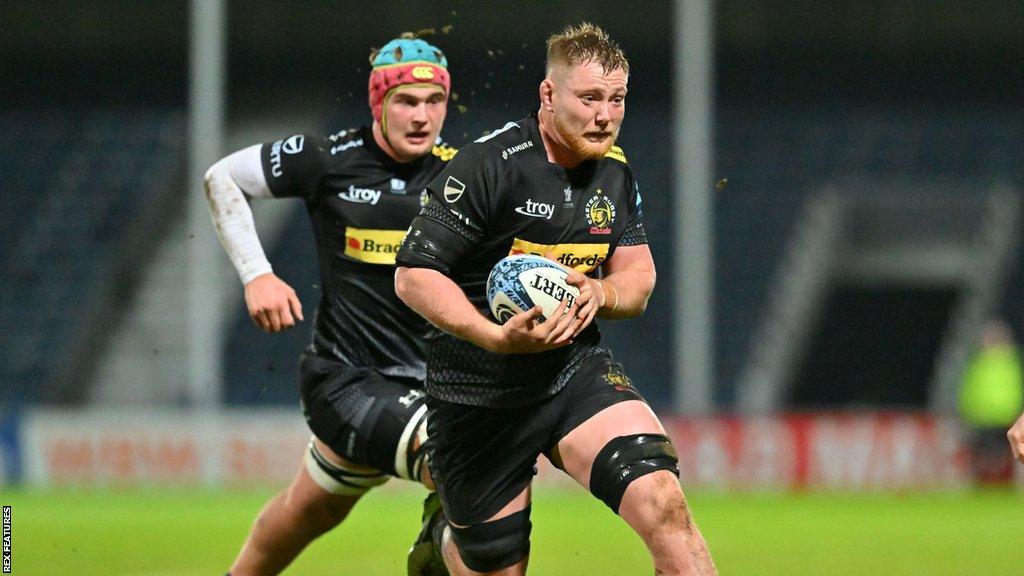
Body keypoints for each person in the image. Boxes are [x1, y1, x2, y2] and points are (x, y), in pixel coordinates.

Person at [395, 23, 717, 576]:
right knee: (491, 563)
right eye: (590, 98)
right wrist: (494, 336)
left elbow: (638, 276)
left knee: (661, 498)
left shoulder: (614, 172)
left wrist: (603, 290)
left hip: (571, 374)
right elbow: (414, 276)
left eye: (616, 99)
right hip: (477, 393)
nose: (606, 115)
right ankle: (444, 540)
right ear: (548, 95)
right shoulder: (488, 166)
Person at [202, 34, 456, 576]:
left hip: (431, 385)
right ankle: (440, 546)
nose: (421, 116)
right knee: (463, 457)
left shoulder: (463, 175)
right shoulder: (326, 159)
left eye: (434, 102)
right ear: (378, 103)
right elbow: (222, 177)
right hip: (349, 383)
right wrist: (257, 274)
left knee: (306, 512)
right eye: (406, 102)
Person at [956, 320, 1023, 484]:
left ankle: (1012, 484)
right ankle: (976, 483)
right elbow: (969, 389)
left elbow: (1017, 387)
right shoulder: (979, 362)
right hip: (983, 417)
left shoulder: (1011, 361)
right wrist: (967, 410)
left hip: (1005, 416)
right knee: (980, 453)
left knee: (1011, 451)